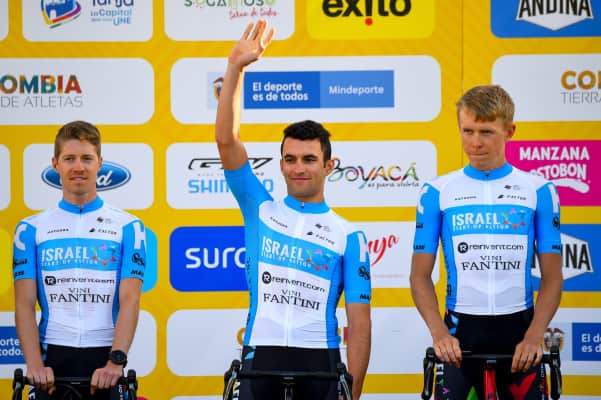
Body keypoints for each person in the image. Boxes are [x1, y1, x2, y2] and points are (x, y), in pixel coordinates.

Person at [215, 20, 372, 400]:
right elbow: (227, 141)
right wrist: (234, 69)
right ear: (281, 165)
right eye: (290, 159)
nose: (299, 167)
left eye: (309, 159)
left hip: (320, 362)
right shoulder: (260, 209)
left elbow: (360, 323)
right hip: (261, 359)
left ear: (329, 166)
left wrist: (354, 392)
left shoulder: (349, 236)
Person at [410, 85, 563, 399]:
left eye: (486, 132)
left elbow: (552, 276)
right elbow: (419, 275)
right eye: (467, 131)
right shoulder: (437, 191)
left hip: (520, 333)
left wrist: (535, 336)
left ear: (510, 131)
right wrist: (439, 333)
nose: (475, 142)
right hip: (460, 333)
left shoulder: (538, 190)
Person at [12, 121, 147, 399]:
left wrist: (116, 361)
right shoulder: (30, 229)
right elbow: (24, 303)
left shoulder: (129, 227)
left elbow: (130, 299)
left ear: (100, 163)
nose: (78, 167)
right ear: (55, 164)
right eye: (69, 158)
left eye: (86, 158)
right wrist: (34, 364)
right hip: (52, 356)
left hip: (106, 356)